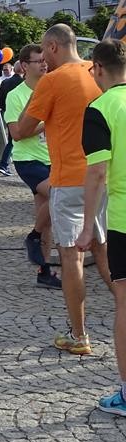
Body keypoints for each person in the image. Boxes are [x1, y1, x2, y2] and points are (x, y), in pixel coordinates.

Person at [18, 24, 110, 355]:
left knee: (72, 256)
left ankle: (79, 334)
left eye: (45, 51)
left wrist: (37, 91)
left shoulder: (52, 81)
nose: (44, 59)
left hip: (69, 178)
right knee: (105, 251)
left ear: (54, 47)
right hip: (103, 175)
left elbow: (21, 130)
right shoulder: (96, 72)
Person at [76, 39, 126, 415]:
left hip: (123, 220)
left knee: (125, 303)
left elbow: (96, 173)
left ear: (97, 68)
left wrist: (87, 227)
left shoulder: (100, 108)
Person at [5, 45, 61, 290]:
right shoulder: (15, 95)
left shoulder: (52, 88)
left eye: (45, 60)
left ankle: (44, 271)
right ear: (25, 66)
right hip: (28, 160)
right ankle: (33, 236)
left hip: (54, 158)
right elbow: (17, 134)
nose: (44, 64)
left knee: (46, 217)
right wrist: (47, 123)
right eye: (38, 61)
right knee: (60, 193)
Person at [0, 61, 24, 176]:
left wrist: (6, 109)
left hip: (7, 113)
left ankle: (5, 163)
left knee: (12, 139)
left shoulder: (5, 82)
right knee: (13, 140)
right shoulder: (24, 83)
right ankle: (4, 164)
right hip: (20, 115)